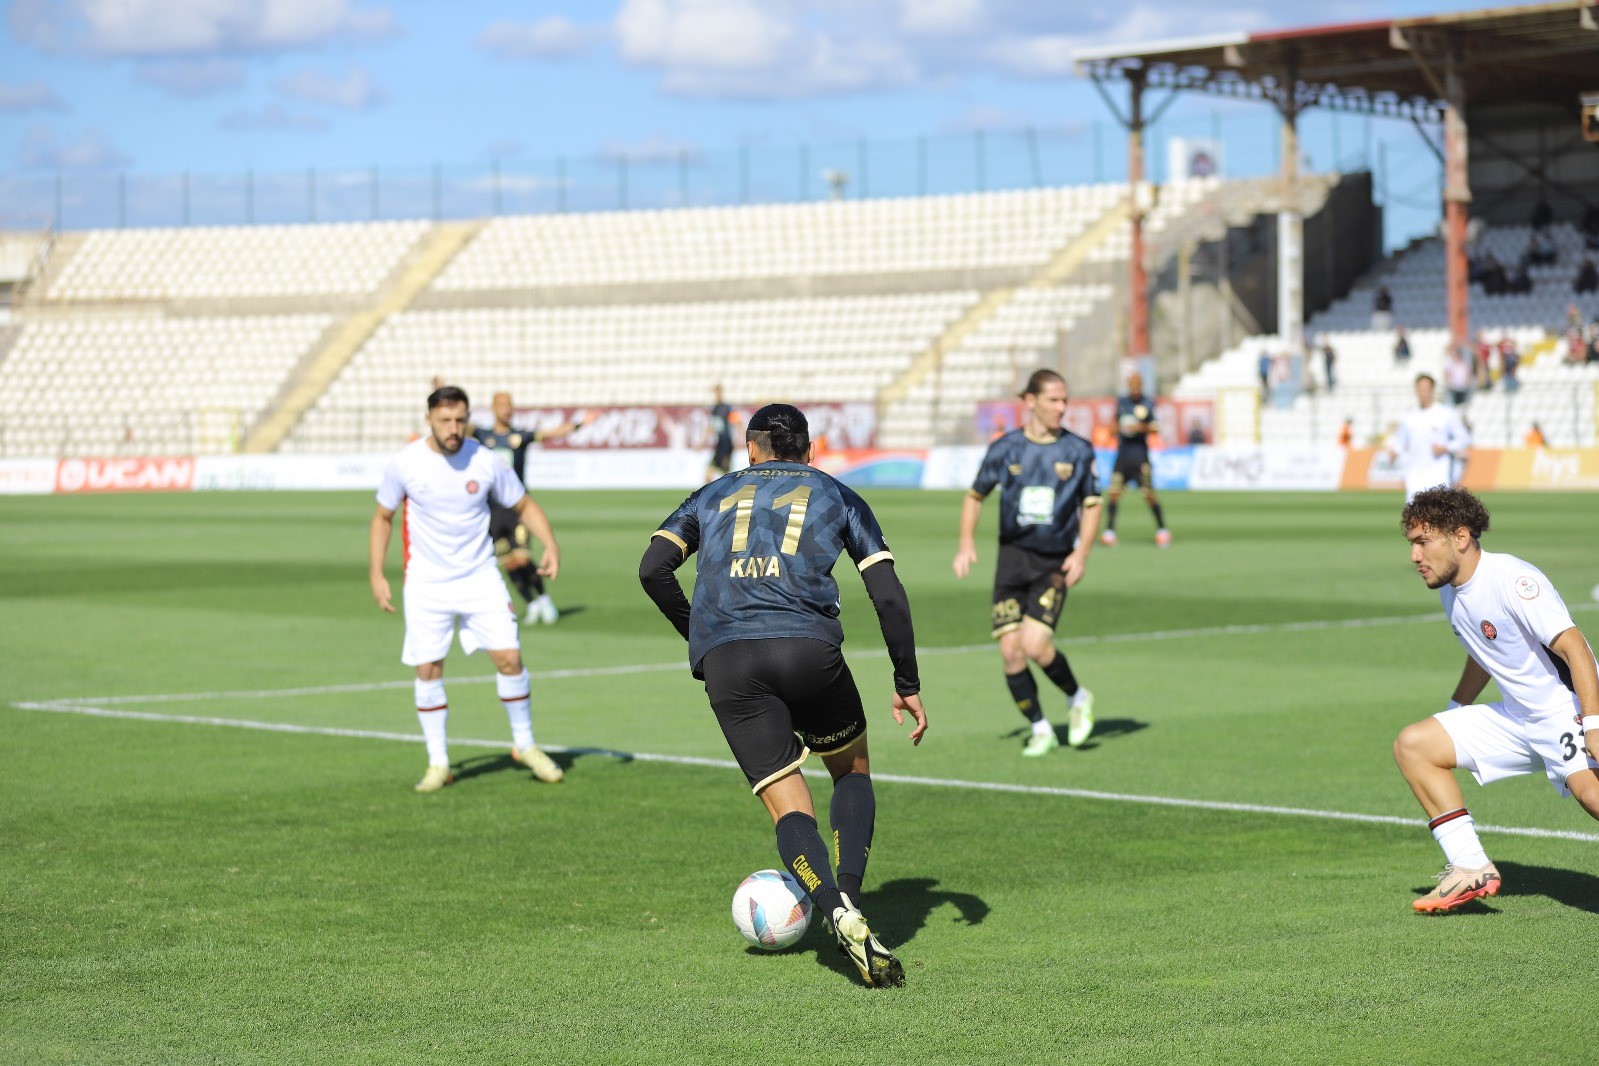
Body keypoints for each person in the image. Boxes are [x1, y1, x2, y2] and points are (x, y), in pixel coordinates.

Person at [639, 403, 928, 988]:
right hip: (808, 652)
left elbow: (652, 569)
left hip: (730, 663)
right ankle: (847, 897)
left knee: (788, 805)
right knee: (849, 772)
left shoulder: (712, 493)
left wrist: (702, 635)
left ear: (751, 448)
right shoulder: (837, 494)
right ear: (809, 449)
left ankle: (832, 909)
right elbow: (890, 598)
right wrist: (906, 683)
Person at [1391, 487, 1599, 913]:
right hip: (1517, 717)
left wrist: (1594, 724)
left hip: (1566, 708)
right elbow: (1484, 651)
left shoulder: (1513, 580)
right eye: (1412, 544)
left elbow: (1575, 649)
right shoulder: (1453, 589)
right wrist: (1455, 712)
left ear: (1461, 537)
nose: (1415, 556)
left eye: (1422, 542)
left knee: (1593, 798)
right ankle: (1470, 867)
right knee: (1415, 745)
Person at [370, 386, 565, 792]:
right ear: (430, 420)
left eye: (460, 419)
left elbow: (523, 504)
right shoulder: (405, 463)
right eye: (445, 420)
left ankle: (525, 745)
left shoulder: (486, 461)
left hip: (480, 578)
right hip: (426, 583)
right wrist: (376, 573)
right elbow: (383, 516)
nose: (453, 428)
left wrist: (550, 543)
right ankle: (438, 762)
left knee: (510, 659)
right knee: (428, 669)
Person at [953, 368, 1100, 756]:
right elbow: (975, 496)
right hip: (1012, 560)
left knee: (1035, 644)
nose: (1062, 408)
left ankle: (1077, 696)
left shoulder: (1079, 451)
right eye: (1054, 400)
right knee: (1010, 651)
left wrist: (1082, 553)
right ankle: (1040, 727)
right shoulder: (1005, 449)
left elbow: (1092, 505)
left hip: (1054, 562)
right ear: (1030, 401)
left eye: (1065, 400)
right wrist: (966, 543)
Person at [474, 392, 586, 625]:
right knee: (509, 562)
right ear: (493, 408)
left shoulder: (519, 436)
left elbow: (552, 433)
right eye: (502, 405)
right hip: (492, 511)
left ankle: (544, 599)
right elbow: (458, 428)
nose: (506, 409)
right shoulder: (482, 435)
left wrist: (579, 424)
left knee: (523, 559)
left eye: (509, 405)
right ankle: (532, 603)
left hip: (517, 508)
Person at [1099, 372, 1170, 549]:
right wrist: (1115, 428)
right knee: (1114, 493)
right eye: (1132, 384)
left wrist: (1140, 427)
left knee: (1149, 494)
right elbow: (1114, 425)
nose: (1135, 387)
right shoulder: (1122, 403)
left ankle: (1162, 530)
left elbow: (1155, 428)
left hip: (1140, 455)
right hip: (1122, 455)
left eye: (1138, 384)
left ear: (1142, 385)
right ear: (1129, 385)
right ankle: (1109, 532)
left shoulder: (1147, 403)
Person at [1383, 374, 1471, 502]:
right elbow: (1399, 443)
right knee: (1415, 519)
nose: (1423, 392)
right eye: (1420, 388)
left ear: (1432, 390)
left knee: (1440, 519)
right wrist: (1393, 454)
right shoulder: (1408, 417)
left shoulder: (1446, 414)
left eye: (1426, 388)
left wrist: (1446, 447)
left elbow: (1464, 439)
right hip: (1414, 477)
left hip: (1439, 476)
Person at [705, 385, 742, 483]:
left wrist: (739, 437)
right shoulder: (715, 409)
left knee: (714, 470)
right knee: (722, 470)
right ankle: (726, 490)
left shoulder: (727, 408)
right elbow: (712, 425)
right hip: (721, 441)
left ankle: (709, 494)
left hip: (726, 441)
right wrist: (704, 439)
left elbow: (738, 421)